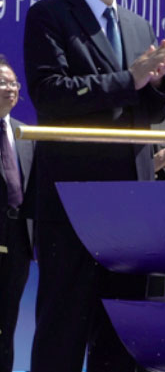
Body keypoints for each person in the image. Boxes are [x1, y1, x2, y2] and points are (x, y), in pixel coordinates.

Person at [23, 0, 165, 372]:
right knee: (63, 330)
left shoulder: (138, 26)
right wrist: (130, 78)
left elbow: (151, 111)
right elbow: (51, 95)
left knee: (123, 337)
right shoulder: (49, 16)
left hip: (131, 206)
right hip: (74, 201)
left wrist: (154, 82)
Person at [0, 56, 34, 372]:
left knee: (7, 322)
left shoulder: (24, 133)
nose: (10, 89)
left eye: (14, 83)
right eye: (2, 83)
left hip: (18, 240)